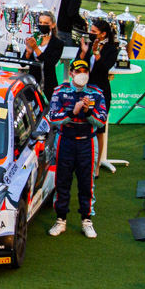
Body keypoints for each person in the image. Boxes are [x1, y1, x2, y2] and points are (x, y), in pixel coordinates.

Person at [48, 59, 107, 239]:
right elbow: (53, 118)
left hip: (87, 141)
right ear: (71, 73)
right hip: (65, 140)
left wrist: (88, 112)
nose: (82, 74)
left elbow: (101, 121)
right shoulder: (60, 91)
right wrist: (72, 113)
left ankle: (87, 221)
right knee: (62, 180)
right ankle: (60, 220)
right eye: (78, 70)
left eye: (85, 71)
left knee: (87, 182)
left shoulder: (96, 93)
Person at [77, 17, 118, 112]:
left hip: (101, 90)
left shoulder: (111, 50)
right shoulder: (87, 45)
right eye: (90, 30)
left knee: (99, 118)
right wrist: (83, 52)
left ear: (103, 34)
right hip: (83, 88)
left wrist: (96, 53)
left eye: (94, 32)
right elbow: (76, 64)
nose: (91, 33)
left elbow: (104, 69)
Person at [23, 10, 64, 99]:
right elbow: (23, 63)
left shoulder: (58, 43)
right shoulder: (35, 38)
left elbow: (50, 64)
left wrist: (36, 49)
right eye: (40, 22)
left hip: (48, 85)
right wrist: (28, 53)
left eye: (46, 23)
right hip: (32, 83)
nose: (42, 25)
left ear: (53, 25)